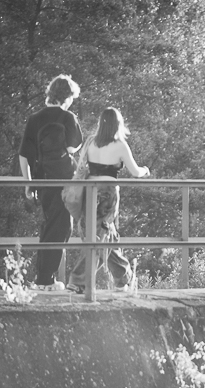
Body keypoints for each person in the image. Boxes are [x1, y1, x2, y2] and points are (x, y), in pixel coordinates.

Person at [67, 107, 150, 294]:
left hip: (89, 191)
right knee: (101, 235)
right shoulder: (120, 146)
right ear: (117, 125)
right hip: (108, 194)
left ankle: (121, 278)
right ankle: (79, 280)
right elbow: (136, 172)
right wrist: (145, 170)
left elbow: (80, 167)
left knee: (101, 234)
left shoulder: (90, 142)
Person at [19, 74, 83, 291]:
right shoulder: (67, 117)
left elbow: (24, 155)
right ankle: (45, 280)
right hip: (64, 179)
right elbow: (73, 148)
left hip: (42, 179)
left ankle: (43, 277)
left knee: (49, 225)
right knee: (62, 227)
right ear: (66, 97)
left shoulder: (34, 119)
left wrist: (28, 183)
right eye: (71, 98)